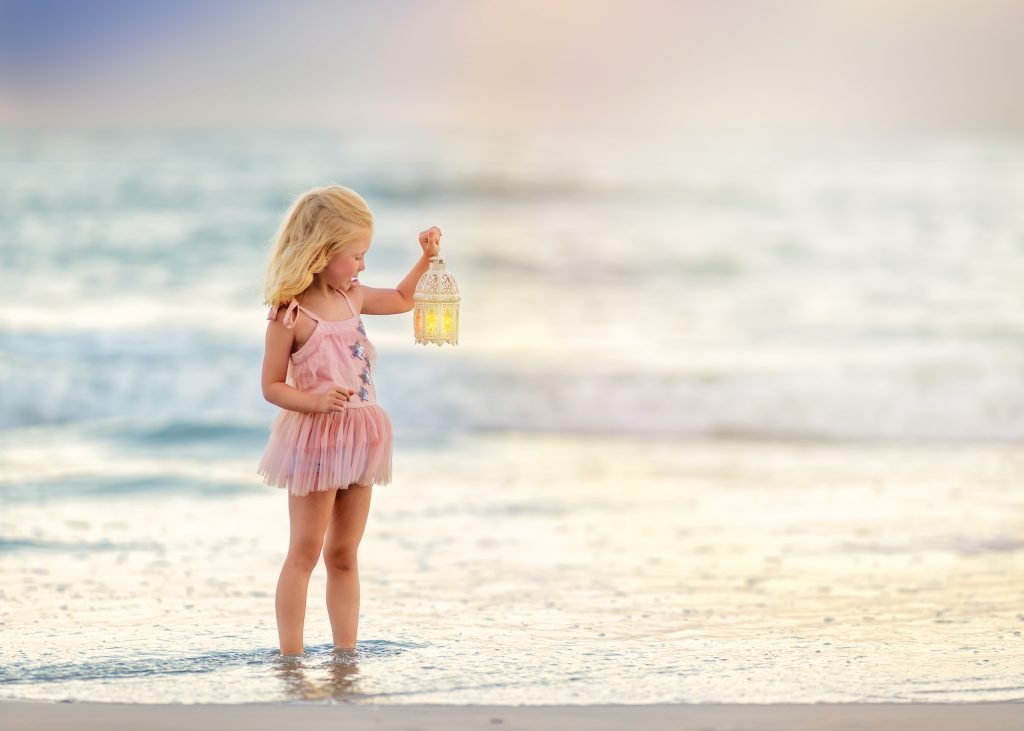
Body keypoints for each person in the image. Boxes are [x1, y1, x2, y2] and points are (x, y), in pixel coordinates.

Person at [257, 184, 441, 656]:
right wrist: (314, 402)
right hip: (316, 439)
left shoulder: (354, 297)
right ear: (322, 253)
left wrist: (426, 258)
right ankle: (291, 657)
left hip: (361, 435)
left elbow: (403, 299)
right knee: (305, 552)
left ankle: (346, 654)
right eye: (356, 255)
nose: (362, 265)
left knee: (344, 554)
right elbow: (272, 385)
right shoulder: (289, 314)